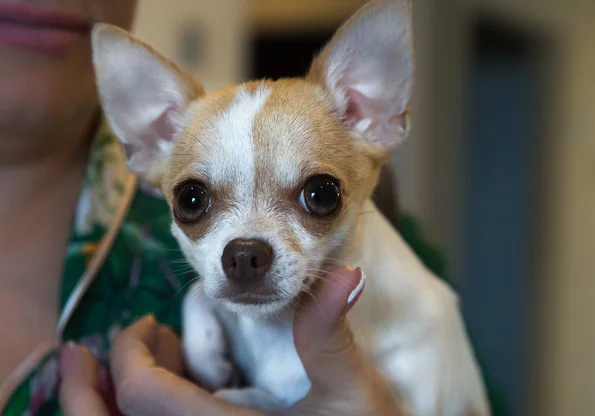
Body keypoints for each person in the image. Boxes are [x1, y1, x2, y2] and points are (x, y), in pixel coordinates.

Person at [0, 1, 432, 414]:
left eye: (316, 197)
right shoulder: (173, 152)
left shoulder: (396, 255)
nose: (244, 252)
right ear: (151, 135)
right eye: (195, 202)